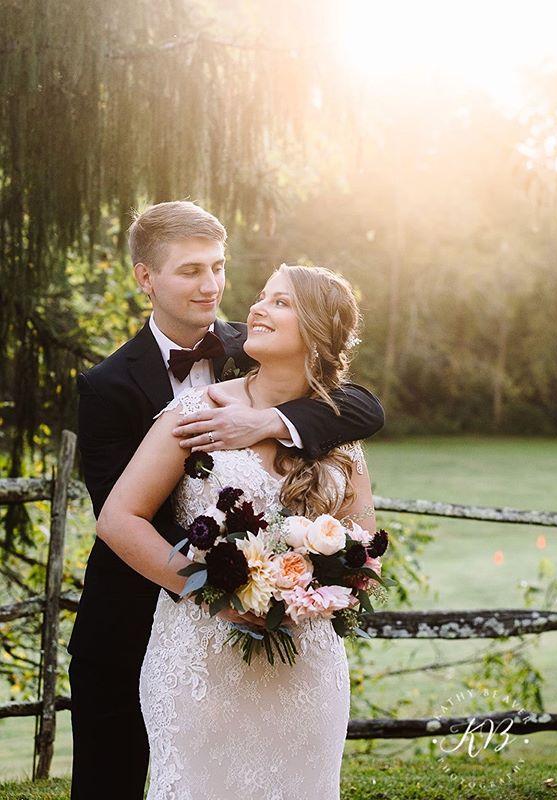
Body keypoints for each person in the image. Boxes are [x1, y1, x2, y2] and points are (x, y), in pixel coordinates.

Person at [67, 202, 384, 800]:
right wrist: (213, 590)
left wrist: (265, 423)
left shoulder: (255, 343)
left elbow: (362, 407)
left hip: (284, 633)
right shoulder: (107, 387)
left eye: (218, 267)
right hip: (145, 612)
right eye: (190, 270)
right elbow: (119, 514)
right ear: (146, 278)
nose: (212, 285)